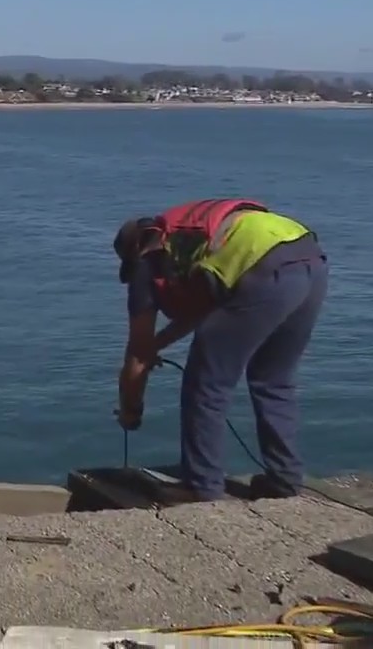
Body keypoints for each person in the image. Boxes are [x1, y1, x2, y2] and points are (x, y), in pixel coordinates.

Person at [113, 198, 327, 503]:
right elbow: (206, 309)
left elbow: (136, 356)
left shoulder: (146, 265)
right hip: (308, 257)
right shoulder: (192, 241)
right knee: (273, 379)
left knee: (206, 384)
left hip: (262, 266)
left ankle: (201, 486)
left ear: (134, 253)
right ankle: (285, 480)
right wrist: (157, 345)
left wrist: (130, 411)